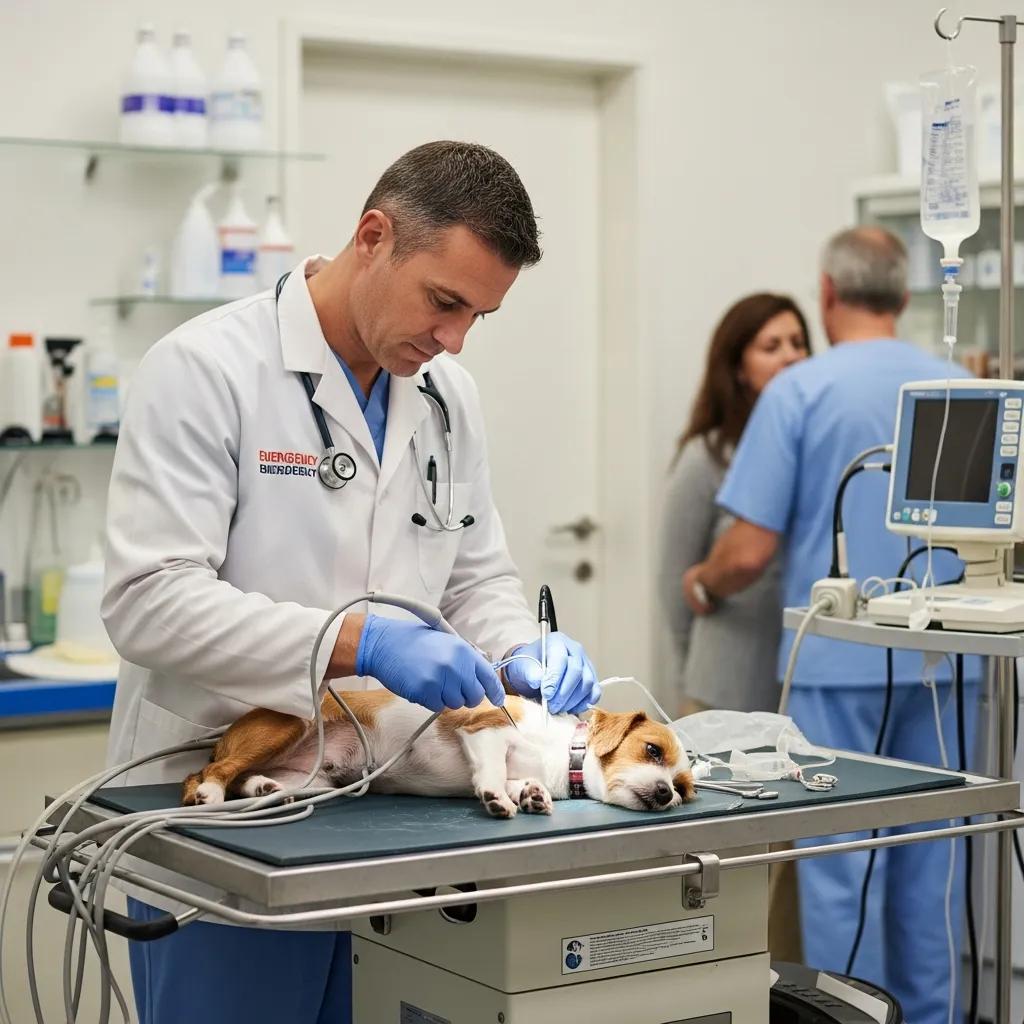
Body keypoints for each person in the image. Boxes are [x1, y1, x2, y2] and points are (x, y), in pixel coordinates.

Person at [101, 141, 601, 1024]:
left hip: (391, 829)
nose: (453, 339)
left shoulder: (447, 396)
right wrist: (356, 642)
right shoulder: (206, 369)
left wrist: (522, 649)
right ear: (374, 237)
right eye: (444, 301)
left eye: (478, 316)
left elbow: (475, 576)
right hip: (227, 824)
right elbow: (149, 599)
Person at [681, 226, 975, 1024]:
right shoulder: (960, 386)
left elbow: (748, 551)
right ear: (906, 295)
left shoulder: (800, 392)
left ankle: (855, 1017)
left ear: (829, 294)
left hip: (836, 663)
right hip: (950, 666)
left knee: (843, 869)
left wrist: (701, 582)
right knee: (934, 864)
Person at [657, 292, 809, 716]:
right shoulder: (706, 456)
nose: (790, 357)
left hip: (799, 685)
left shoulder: (813, 451)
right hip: (724, 687)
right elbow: (674, 584)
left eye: (798, 343)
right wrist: (692, 673)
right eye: (771, 347)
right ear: (738, 367)